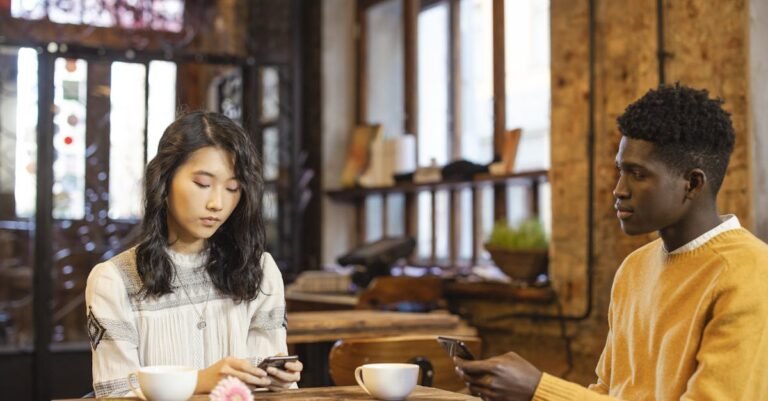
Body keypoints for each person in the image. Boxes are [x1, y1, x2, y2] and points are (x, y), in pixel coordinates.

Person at [455, 83, 768, 400]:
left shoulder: (749, 273)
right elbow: (608, 392)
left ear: (692, 183)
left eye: (638, 174)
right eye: (621, 170)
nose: (619, 189)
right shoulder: (635, 267)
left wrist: (538, 390)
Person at [85, 111, 302, 397]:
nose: (217, 203)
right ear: (163, 182)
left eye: (233, 188)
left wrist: (276, 381)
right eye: (202, 184)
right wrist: (199, 382)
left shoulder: (259, 271)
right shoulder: (114, 281)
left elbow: (271, 390)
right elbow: (114, 394)